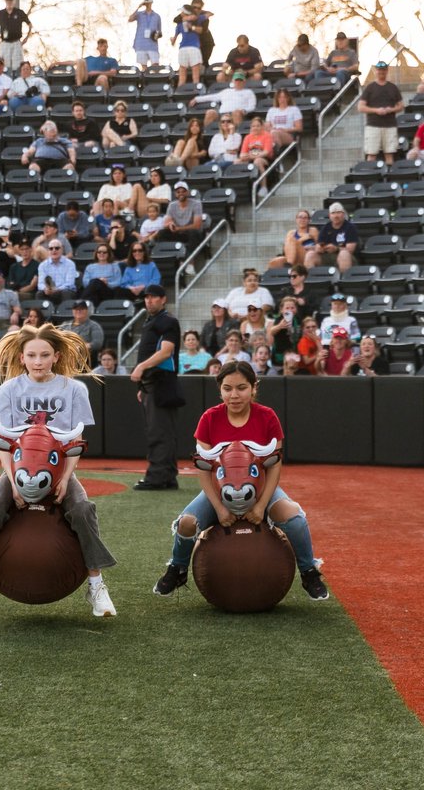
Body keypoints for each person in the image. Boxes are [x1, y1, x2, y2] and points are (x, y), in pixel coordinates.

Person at [0, 324, 117, 615]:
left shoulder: (74, 390)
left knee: (83, 509)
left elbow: (76, 442)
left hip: (58, 468)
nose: (38, 361)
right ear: (21, 357)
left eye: (44, 355)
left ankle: (96, 585)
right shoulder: (9, 389)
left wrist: (65, 479)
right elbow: (3, 443)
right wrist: (12, 481)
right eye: (31, 355)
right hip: (17, 469)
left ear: (56, 356)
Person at [152, 361, 328, 600]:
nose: (234, 395)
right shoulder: (209, 419)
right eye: (227, 388)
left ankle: (308, 571)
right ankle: (178, 567)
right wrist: (218, 508)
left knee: (294, 518)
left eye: (241, 387)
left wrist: (259, 505)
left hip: (261, 488)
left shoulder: (267, 417)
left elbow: (274, 465)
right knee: (186, 524)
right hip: (219, 490)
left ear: (254, 388)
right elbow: (204, 469)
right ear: (220, 389)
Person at [130, 284, 181, 490]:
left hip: (162, 383)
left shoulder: (167, 321)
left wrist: (141, 368)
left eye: (154, 297)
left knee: (159, 432)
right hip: (154, 384)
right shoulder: (152, 321)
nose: (149, 300)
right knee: (162, 431)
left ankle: (157, 477)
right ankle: (167, 476)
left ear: (163, 299)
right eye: (147, 297)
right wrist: (142, 386)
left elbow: (166, 352)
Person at [358, 62, 403, 165]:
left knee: (389, 154)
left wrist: (390, 110)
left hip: (390, 125)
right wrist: (376, 110)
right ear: (376, 71)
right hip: (373, 125)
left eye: (383, 70)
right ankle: (370, 176)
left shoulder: (393, 87)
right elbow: (361, 107)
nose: (381, 72)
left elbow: (401, 106)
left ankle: (389, 178)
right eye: (379, 70)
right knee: (371, 154)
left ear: (387, 71)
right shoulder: (370, 88)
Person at [189, 72, 256, 127]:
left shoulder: (249, 92)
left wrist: (244, 110)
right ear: (233, 81)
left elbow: (252, 106)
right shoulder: (226, 91)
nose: (238, 82)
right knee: (210, 112)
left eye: (240, 80)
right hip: (222, 114)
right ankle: (206, 134)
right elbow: (212, 97)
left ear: (244, 82)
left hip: (237, 114)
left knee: (236, 113)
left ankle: (236, 135)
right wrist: (196, 99)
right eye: (236, 80)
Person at [159, 181, 204, 252]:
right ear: (175, 194)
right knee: (162, 233)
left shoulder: (196, 203)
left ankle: (190, 260)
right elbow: (166, 223)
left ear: (188, 192)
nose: (181, 193)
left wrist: (179, 228)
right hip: (178, 234)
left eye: (183, 191)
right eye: (178, 192)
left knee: (193, 232)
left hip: (191, 234)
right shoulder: (172, 205)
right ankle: (168, 256)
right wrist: (170, 224)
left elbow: (197, 225)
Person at [0, 0, 32, 69]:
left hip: (16, 42)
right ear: (5, 0)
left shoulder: (19, 12)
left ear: (14, 0)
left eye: (11, 0)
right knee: (5, 66)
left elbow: (30, 24)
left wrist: (26, 38)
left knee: (17, 66)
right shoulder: (0, 13)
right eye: (7, 0)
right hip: (5, 43)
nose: (9, 2)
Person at [316, 202, 358, 272]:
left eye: (338, 212)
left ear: (343, 214)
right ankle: (310, 281)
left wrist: (336, 249)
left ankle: (344, 281)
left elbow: (350, 249)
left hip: (348, 257)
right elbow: (319, 244)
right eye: (333, 213)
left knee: (343, 253)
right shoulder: (325, 228)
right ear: (329, 215)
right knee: (311, 255)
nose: (336, 216)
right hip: (328, 256)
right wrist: (319, 248)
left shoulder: (350, 227)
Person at [171, 2, 204, 87]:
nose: (181, 13)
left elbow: (173, 41)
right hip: (193, 48)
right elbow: (208, 16)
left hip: (184, 49)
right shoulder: (196, 20)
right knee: (195, 76)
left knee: (182, 77)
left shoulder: (182, 23)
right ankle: (194, 91)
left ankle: (181, 92)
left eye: (182, 12)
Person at [36, 239, 79, 304]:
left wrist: (56, 289)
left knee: (66, 292)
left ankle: (65, 314)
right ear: (48, 251)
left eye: (57, 248)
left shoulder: (70, 264)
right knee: (39, 293)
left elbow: (69, 284)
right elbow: (40, 284)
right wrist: (45, 289)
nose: (54, 250)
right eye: (51, 248)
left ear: (62, 249)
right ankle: (41, 314)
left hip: (64, 291)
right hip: (49, 292)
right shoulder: (42, 265)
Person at [129, 0, 163, 69]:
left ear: (151, 3)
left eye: (148, 3)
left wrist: (156, 35)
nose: (147, 4)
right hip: (141, 44)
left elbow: (159, 31)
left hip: (152, 44)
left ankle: (155, 80)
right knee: (143, 67)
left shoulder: (157, 16)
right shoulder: (139, 14)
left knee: (155, 65)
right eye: (146, 3)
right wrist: (138, 7)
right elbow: (130, 19)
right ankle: (145, 80)